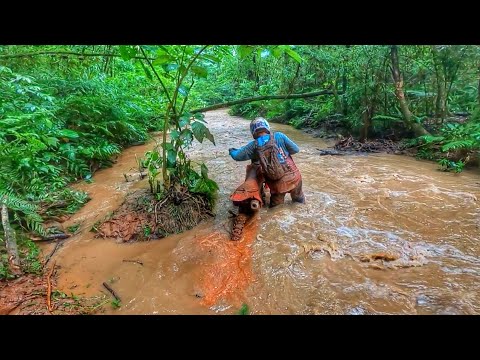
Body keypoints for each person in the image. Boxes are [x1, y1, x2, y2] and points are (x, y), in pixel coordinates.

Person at [229, 117, 305, 208]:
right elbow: (295, 149)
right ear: (267, 127)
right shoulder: (279, 136)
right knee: (299, 202)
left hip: (278, 184)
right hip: (295, 177)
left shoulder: (254, 145)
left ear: (253, 131)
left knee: (276, 209)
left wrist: (231, 150)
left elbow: (237, 156)